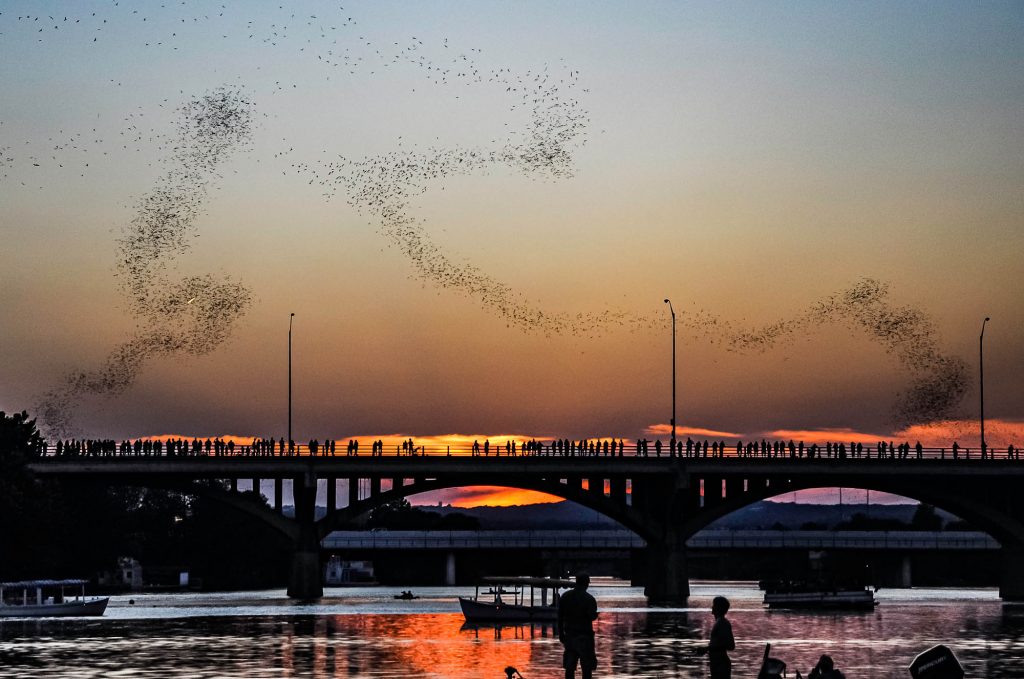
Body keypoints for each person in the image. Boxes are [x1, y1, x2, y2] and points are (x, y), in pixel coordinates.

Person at [558, 572, 598, 679]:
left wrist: (561, 634)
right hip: (585, 637)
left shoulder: (565, 597)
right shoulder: (589, 599)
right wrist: (595, 615)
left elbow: (560, 617)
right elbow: (591, 616)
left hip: (569, 636)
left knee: (569, 668)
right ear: (586, 584)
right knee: (587, 668)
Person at [697, 596, 735, 679]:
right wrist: (707, 649)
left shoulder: (722, 623)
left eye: (714, 605)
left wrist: (707, 648)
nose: (712, 607)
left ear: (718, 608)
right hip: (716, 664)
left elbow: (731, 645)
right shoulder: (719, 622)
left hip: (721, 665)